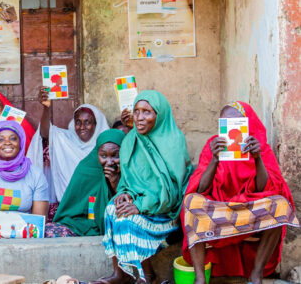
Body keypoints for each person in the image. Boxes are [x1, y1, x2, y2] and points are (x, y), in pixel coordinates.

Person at [181, 101, 299, 284]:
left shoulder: (259, 147)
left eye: (237, 123)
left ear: (248, 123)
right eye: (225, 124)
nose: (232, 129)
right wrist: (215, 159)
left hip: (249, 209)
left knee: (280, 206)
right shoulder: (213, 145)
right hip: (219, 208)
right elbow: (201, 188)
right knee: (191, 202)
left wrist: (257, 158)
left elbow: (266, 189)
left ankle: (256, 275)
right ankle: (199, 279)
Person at [98, 91, 193, 284]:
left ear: (160, 115)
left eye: (147, 112)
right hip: (141, 203)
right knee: (112, 209)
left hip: (165, 211)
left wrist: (139, 205)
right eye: (136, 111)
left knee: (129, 220)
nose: (139, 118)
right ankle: (121, 273)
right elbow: (128, 180)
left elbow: (171, 192)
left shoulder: (173, 141)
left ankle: (146, 276)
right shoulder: (131, 140)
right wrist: (124, 194)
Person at [27, 86, 110, 207]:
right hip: (70, 206)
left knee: (92, 221)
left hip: (96, 203)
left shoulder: (105, 146)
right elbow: (45, 133)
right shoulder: (66, 140)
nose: (82, 127)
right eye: (78, 122)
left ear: (96, 124)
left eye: (88, 122)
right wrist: (46, 108)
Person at [46, 129, 126, 238]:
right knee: (50, 232)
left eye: (115, 156)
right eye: (103, 156)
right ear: (96, 152)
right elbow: (72, 209)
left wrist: (116, 184)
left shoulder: (132, 171)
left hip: (118, 223)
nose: (109, 162)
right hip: (83, 223)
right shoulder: (86, 169)